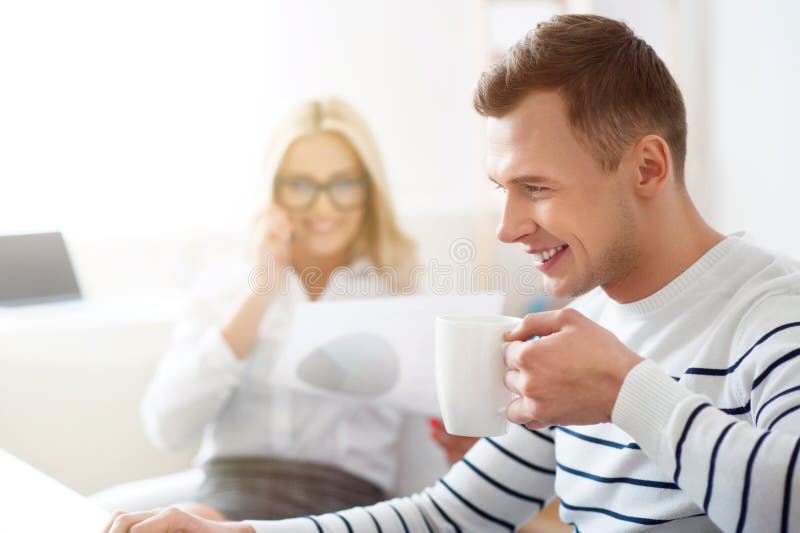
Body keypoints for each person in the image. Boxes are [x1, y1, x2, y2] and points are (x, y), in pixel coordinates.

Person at [103, 14, 800, 533]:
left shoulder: (770, 311)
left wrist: (624, 390)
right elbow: (448, 515)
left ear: (647, 167)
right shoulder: (583, 342)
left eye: (536, 187)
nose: (507, 226)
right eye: (502, 187)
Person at [123, 97, 418, 523]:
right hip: (224, 498)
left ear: (369, 190)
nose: (322, 206)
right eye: (301, 185)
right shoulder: (226, 290)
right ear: (274, 190)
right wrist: (259, 294)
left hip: (342, 510)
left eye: (342, 183)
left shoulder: (398, 297)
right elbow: (167, 426)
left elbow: (418, 465)